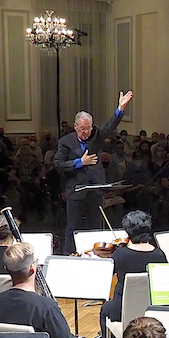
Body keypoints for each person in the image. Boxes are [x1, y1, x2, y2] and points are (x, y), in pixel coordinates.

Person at [56, 92, 134, 253]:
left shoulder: (96, 135)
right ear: (75, 127)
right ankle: (68, 255)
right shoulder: (65, 142)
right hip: (76, 190)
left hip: (95, 189)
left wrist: (120, 109)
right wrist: (80, 162)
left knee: (96, 226)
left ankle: (96, 255)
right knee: (73, 226)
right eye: (83, 129)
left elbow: (109, 126)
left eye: (89, 128)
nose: (86, 132)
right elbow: (58, 164)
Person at [99, 210, 166, 326]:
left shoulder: (120, 254)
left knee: (105, 309)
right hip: (151, 312)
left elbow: (104, 276)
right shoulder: (159, 255)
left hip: (121, 311)